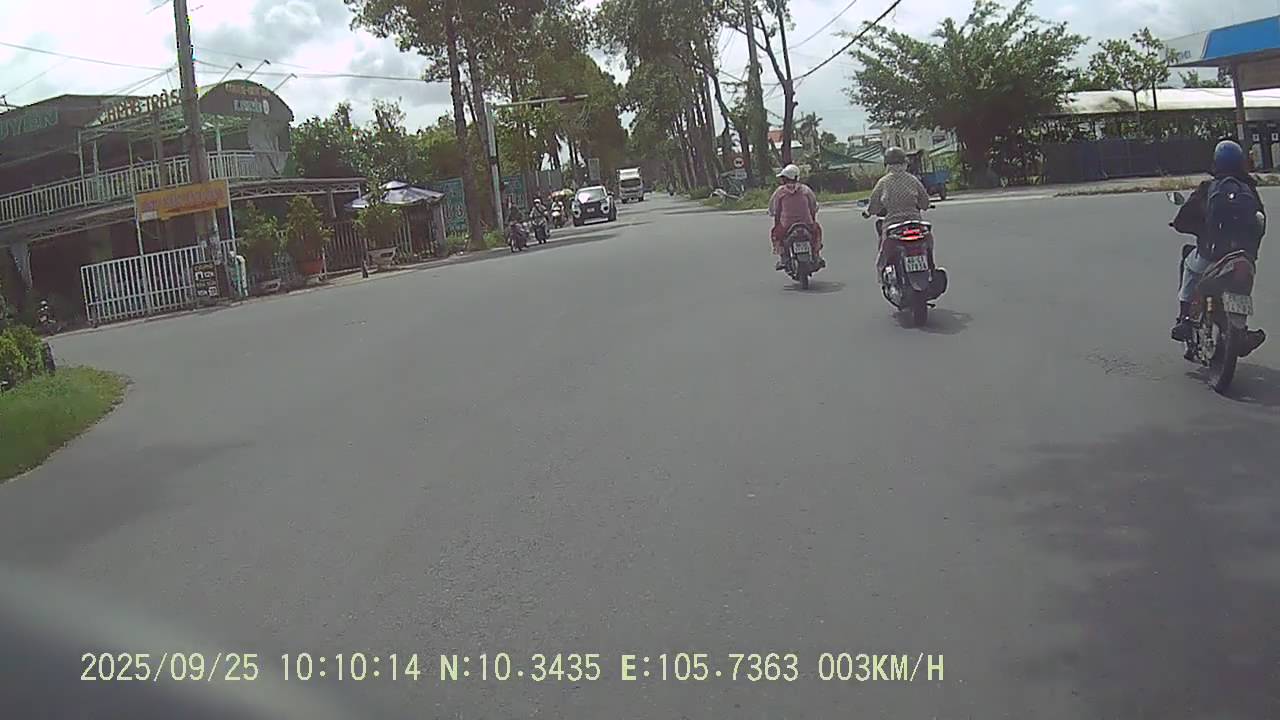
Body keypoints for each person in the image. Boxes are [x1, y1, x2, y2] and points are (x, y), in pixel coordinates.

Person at [1170, 139, 1265, 341]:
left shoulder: (1208, 188)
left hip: (1211, 255)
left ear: (1216, 162)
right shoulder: (1249, 189)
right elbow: (1260, 222)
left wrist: (1192, 228)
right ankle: (1242, 330)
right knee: (1241, 289)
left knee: (1189, 265)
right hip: (1243, 257)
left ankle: (1184, 319)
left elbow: (1183, 220)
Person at [866, 146, 932, 277]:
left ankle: (883, 274)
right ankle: (931, 266)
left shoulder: (883, 182)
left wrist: (869, 212)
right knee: (928, 243)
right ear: (904, 163)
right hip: (915, 222)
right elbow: (925, 202)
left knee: (883, 253)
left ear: (887, 164)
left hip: (893, 224)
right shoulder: (913, 180)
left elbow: (874, 206)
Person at [768, 164, 823, 270]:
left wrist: (774, 215)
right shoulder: (806, 190)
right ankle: (816, 255)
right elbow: (814, 206)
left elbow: (773, 209)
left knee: (775, 235)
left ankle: (783, 258)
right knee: (817, 232)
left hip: (787, 226)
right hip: (807, 224)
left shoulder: (780, 192)